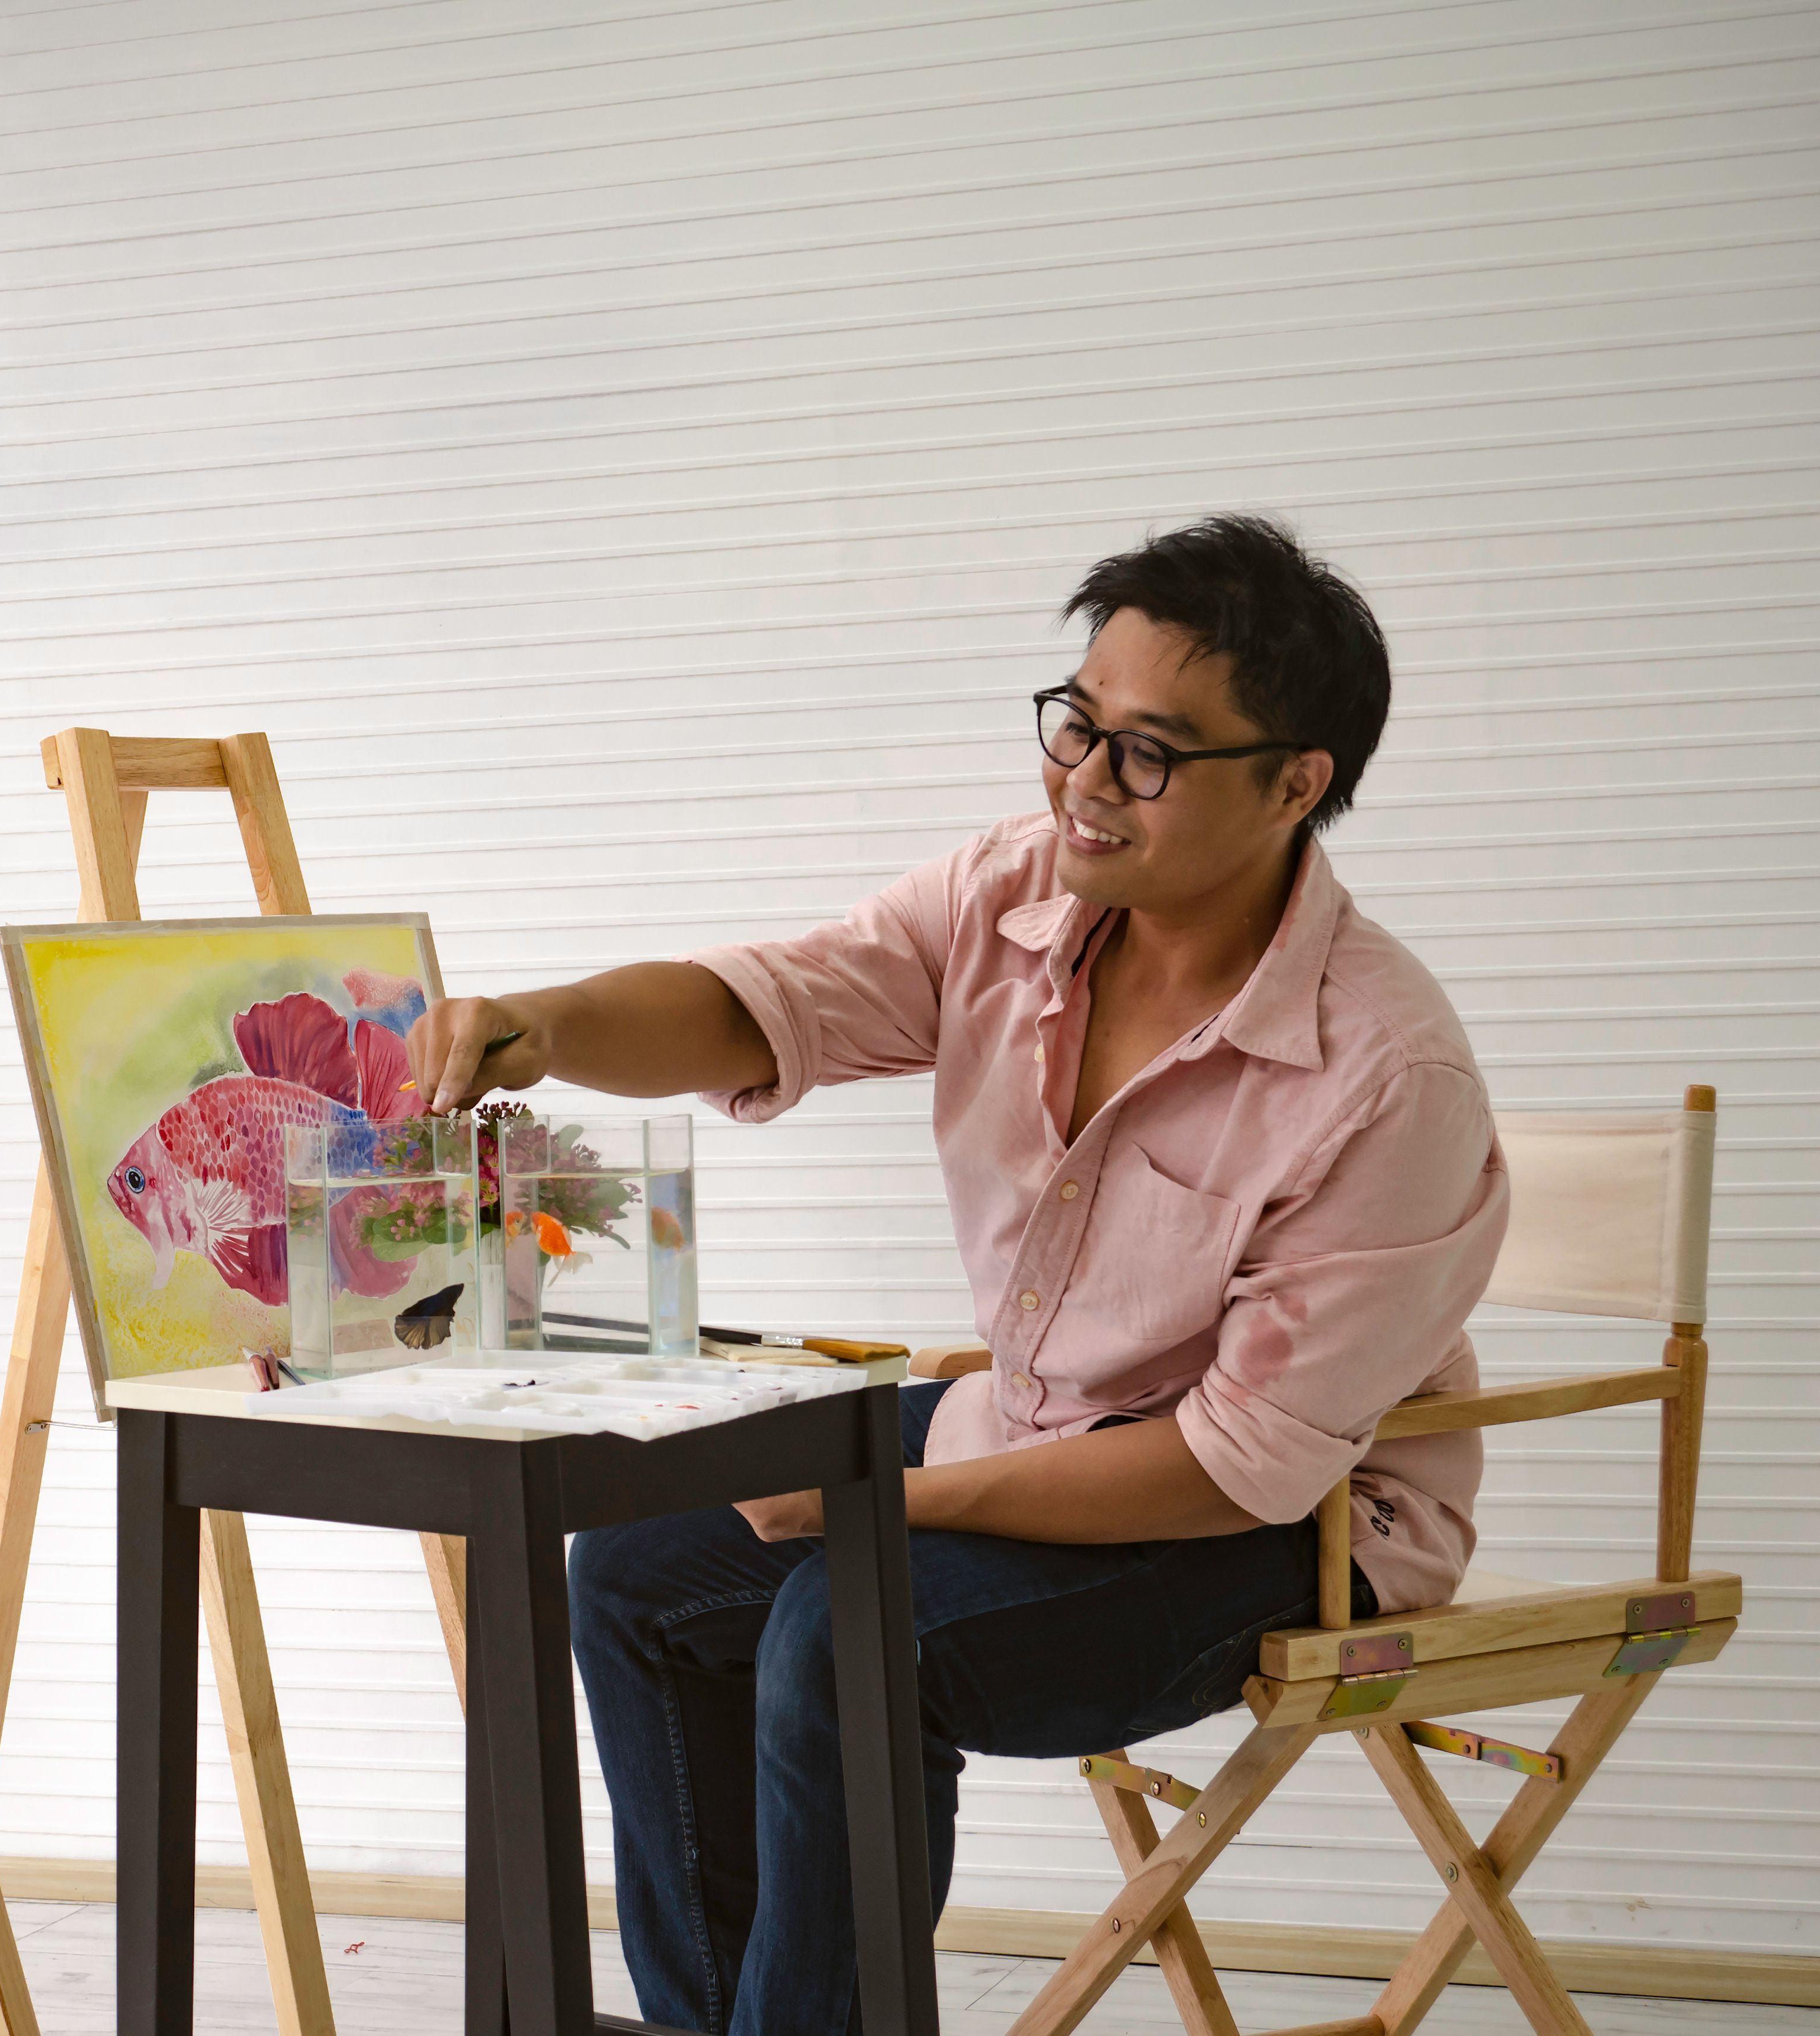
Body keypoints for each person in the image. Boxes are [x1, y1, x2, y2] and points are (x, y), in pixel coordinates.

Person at [403, 514, 1509, 2035]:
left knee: (843, 1620)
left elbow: (1236, 1463)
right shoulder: (1013, 896)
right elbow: (767, 1001)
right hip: (1039, 1422)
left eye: (1148, 754)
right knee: (642, 1565)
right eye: (1076, 724)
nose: (1085, 782)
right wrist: (547, 1024)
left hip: (1287, 1524)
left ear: (1294, 783)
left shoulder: (1386, 1071)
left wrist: (871, 1502)